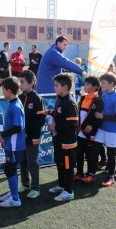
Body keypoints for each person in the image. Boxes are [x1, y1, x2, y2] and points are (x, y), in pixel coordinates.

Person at [47, 73, 79, 201]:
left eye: (56, 85)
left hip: (68, 142)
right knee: (60, 163)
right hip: (59, 139)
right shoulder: (60, 99)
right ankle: (61, 185)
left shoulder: (70, 103)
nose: (54, 88)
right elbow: (59, 114)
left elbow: (72, 124)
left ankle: (69, 191)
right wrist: (51, 113)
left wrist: (55, 126)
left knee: (67, 166)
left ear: (65, 87)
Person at [0, 77, 26, 208]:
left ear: (9, 90)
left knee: (10, 169)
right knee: (10, 170)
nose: (3, 93)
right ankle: (13, 193)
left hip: (14, 146)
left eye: (3, 90)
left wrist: (3, 135)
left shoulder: (15, 106)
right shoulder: (15, 102)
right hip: (11, 144)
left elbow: (18, 127)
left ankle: (15, 198)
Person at [90, 72, 116, 187]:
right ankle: (91, 173)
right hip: (101, 129)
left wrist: (102, 116)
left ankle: (110, 176)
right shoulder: (103, 93)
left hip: (113, 131)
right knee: (94, 150)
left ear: (112, 84)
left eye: (103, 83)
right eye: (101, 82)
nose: (101, 84)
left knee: (111, 154)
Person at [18, 70, 46, 199]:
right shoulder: (20, 97)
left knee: (32, 162)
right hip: (21, 137)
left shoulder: (37, 99)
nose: (20, 84)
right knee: (22, 161)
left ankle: (36, 188)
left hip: (32, 137)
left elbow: (40, 121)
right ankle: (25, 184)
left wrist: (28, 133)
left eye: (22, 82)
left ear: (32, 83)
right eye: (19, 81)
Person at [75, 76, 103, 183]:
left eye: (87, 84)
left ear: (95, 87)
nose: (85, 86)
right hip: (80, 131)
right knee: (79, 153)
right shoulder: (83, 97)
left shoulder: (98, 100)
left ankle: (91, 174)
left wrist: (92, 125)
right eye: (85, 84)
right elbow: (79, 113)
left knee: (91, 154)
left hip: (91, 133)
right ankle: (79, 173)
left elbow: (99, 117)